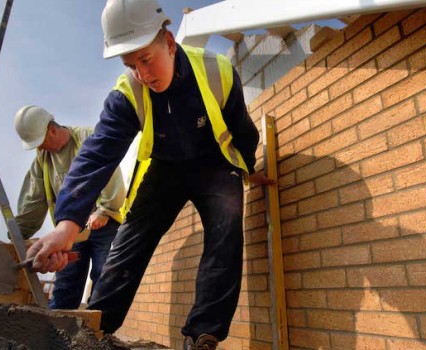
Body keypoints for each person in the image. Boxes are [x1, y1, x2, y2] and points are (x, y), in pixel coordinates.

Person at [25, 0, 273, 348]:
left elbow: (243, 129)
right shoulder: (127, 94)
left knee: (226, 233)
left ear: (169, 43)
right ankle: (94, 330)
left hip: (216, 165)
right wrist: (66, 227)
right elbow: (96, 156)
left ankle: (204, 334)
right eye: (131, 64)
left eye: (146, 59)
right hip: (166, 169)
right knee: (131, 239)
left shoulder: (217, 71)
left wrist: (245, 168)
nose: (142, 74)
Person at [13, 105, 126, 309]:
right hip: (70, 231)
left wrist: (104, 210)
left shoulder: (88, 138)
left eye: (40, 142)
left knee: (105, 275)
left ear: (52, 129)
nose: (39, 148)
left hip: (103, 224)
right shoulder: (43, 160)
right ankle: (57, 333)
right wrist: (17, 232)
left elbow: (111, 175)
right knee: (66, 283)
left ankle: (97, 332)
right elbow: (33, 199)